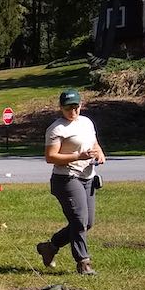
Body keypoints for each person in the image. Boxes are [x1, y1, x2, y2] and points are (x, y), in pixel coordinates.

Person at [36, 89, 107, 276]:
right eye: (68, 107)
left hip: (88, 177)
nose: (72, 111)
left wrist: (99, 153)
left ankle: (50, 247)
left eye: (75, 106)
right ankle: (84, 263)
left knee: (87, 223)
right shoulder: (57, 128)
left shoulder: (86, 122)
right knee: (79, 221)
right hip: (66, 178)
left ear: (81, 105)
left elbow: (94, 144)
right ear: (61, 108)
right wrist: (77, 156)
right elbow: (50, 157)